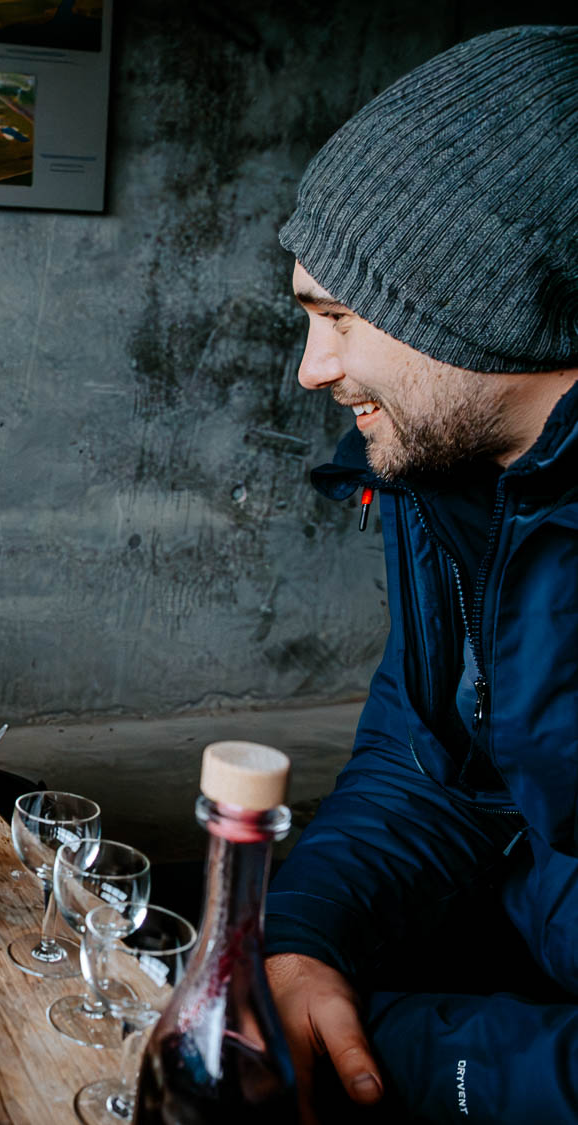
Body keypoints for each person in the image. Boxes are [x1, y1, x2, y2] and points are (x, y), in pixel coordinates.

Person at [264, 26, 578, 1125]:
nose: (313, 369)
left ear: (489, 298)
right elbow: (431, 756)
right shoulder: (445, 474)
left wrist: (409, 1054)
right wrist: (304, 940)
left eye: (340, 318)